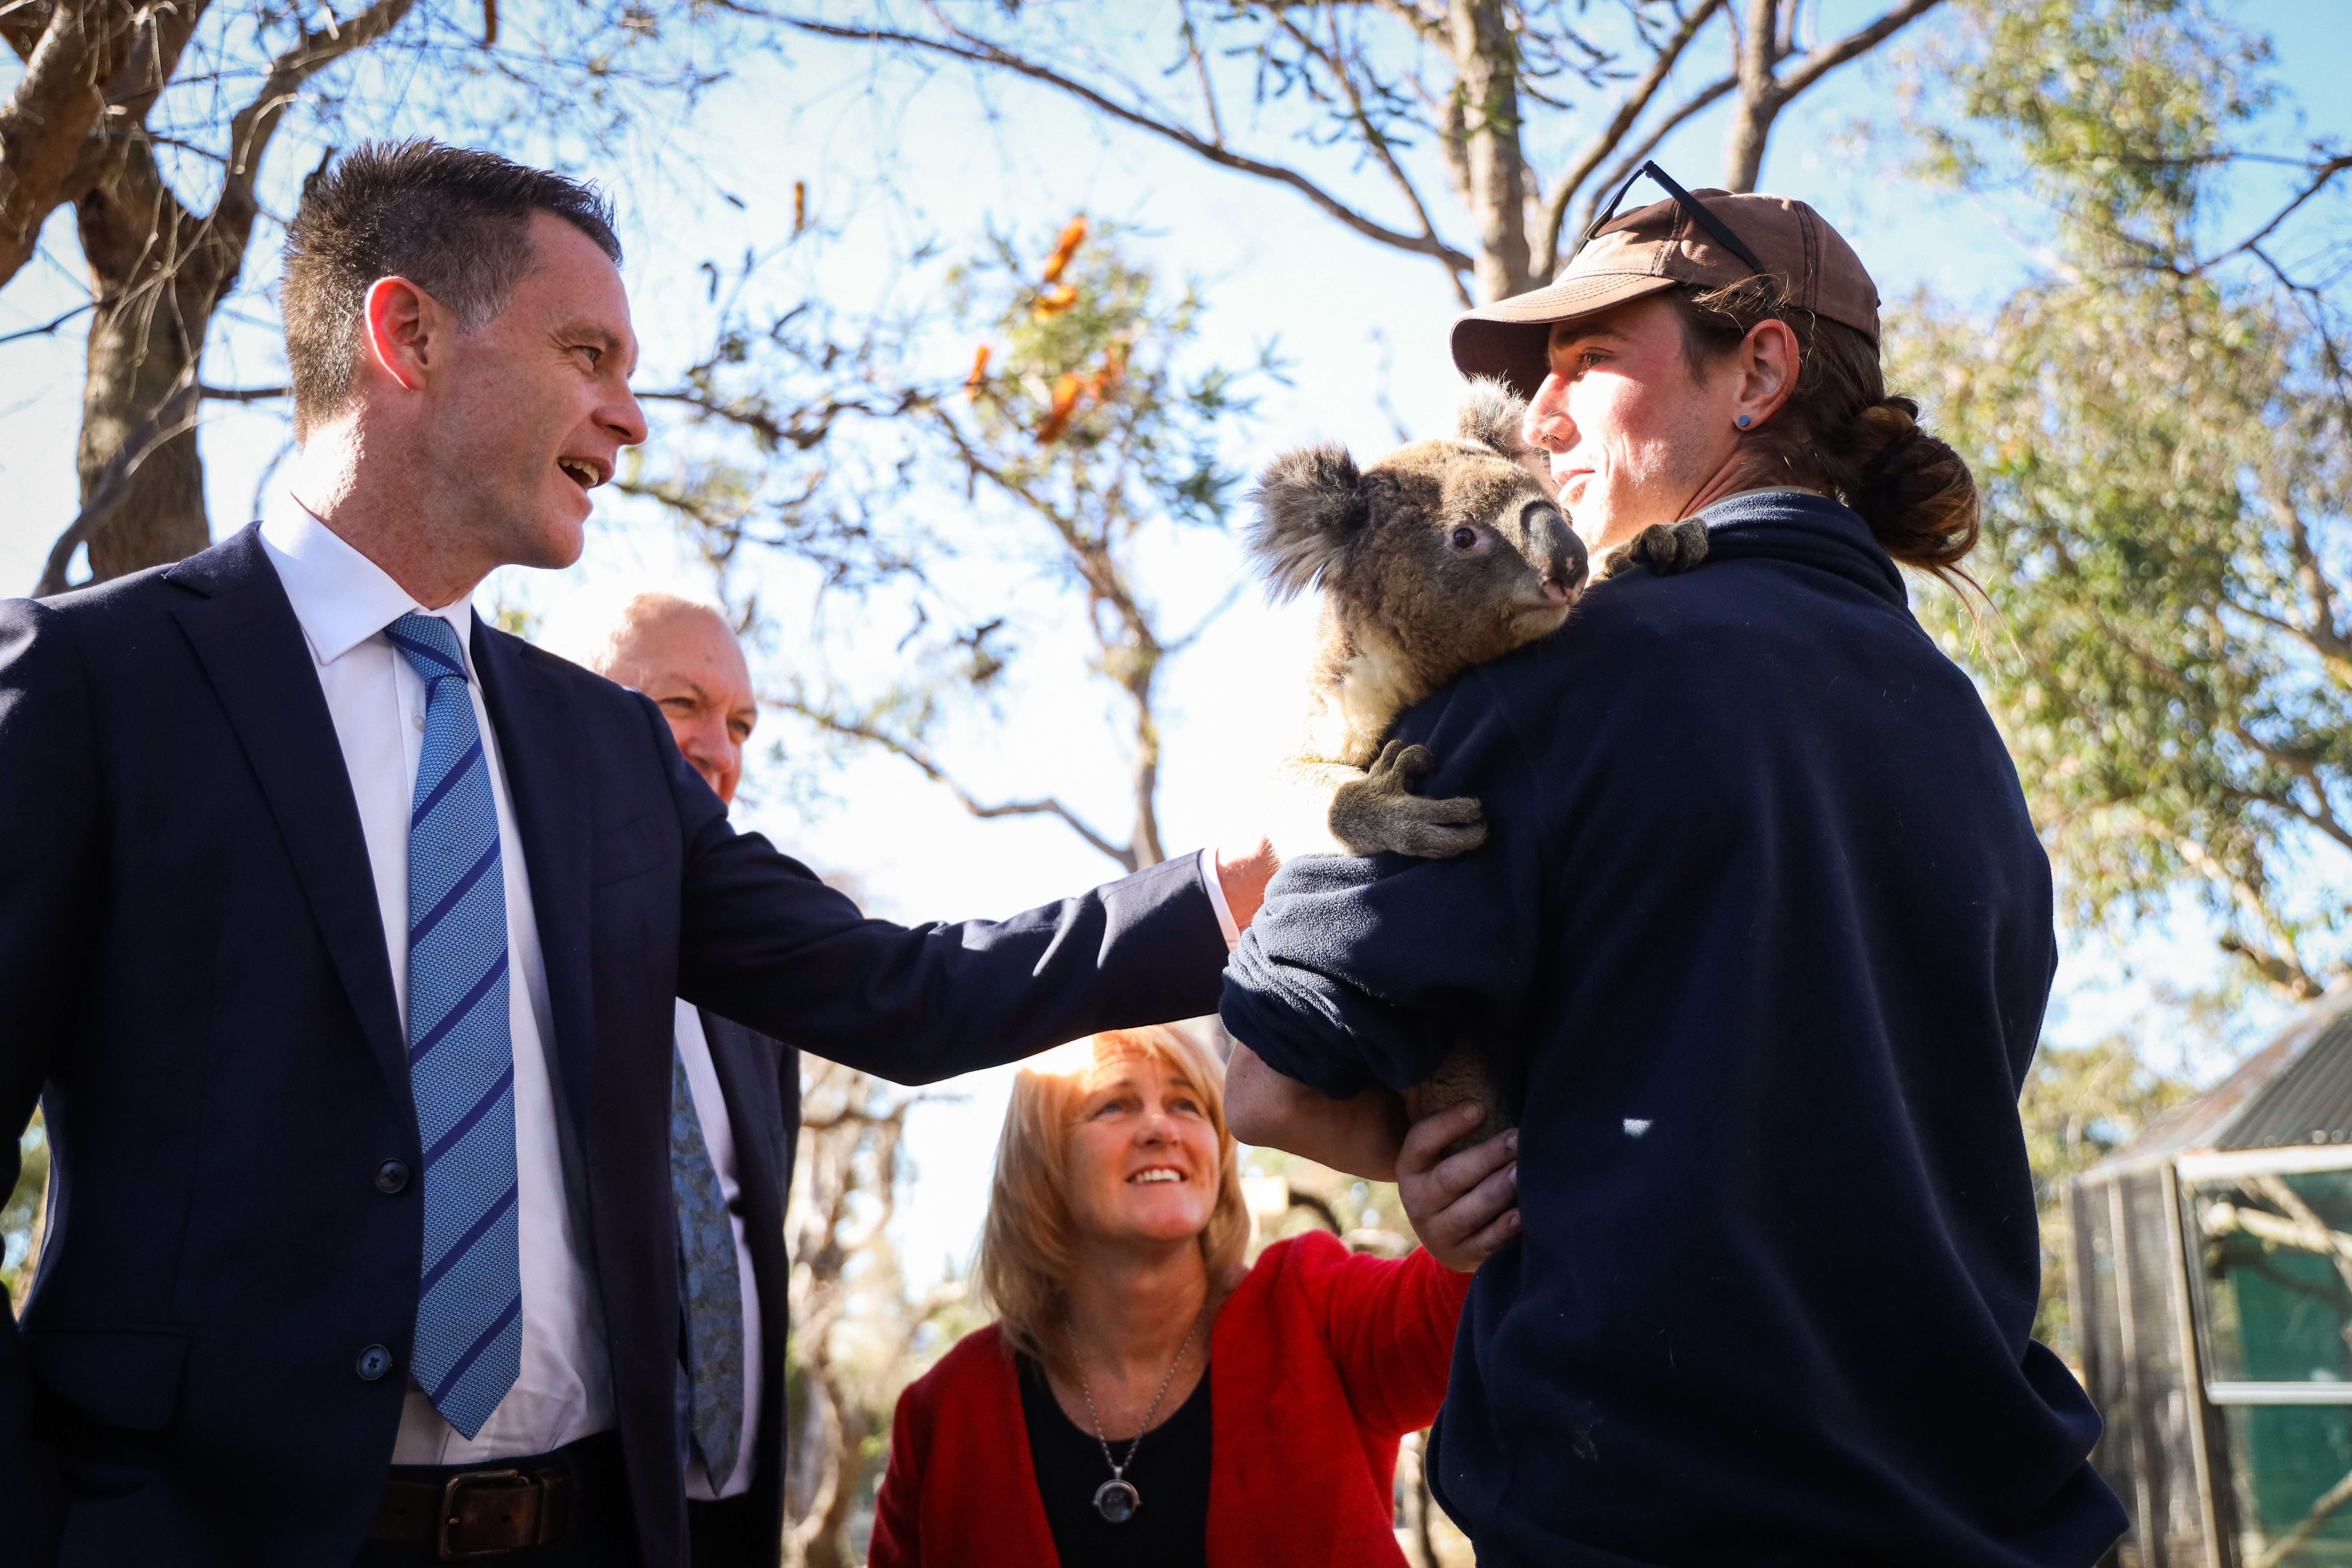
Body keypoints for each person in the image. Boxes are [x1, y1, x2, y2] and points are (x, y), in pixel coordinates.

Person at [0, 140, 1274, 1568]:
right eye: (588, 351)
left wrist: (1239, 889)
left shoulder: (604, 752)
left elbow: (898, 993)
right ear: (408, 333)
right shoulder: (91, 685)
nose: (630, 415)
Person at [1217, 172, 2131, 1566]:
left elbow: (1269, 1074)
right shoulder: (1967, 734)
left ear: (1757, 372)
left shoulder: (1559, 682)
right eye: (1543, 377)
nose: (1547, 411)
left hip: (1658, 1512)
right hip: (1992, 1519)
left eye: (1590, 359)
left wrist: (1430, 1151)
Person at [868, 1025, 1516, 1568]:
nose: (1161, 1128)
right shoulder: (941, 1414)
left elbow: (1460, 1318)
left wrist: (1466, 1225)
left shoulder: (1312, 1304)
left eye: (1188, 1106)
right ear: (1042, 1167)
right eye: (1113, 1106)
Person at [583, 593, 797, 1566]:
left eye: (742, 724)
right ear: (574, 708)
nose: (721, 750)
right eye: (683, 706)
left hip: (729, 1520)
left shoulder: (763, 983)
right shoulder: (483, 936)